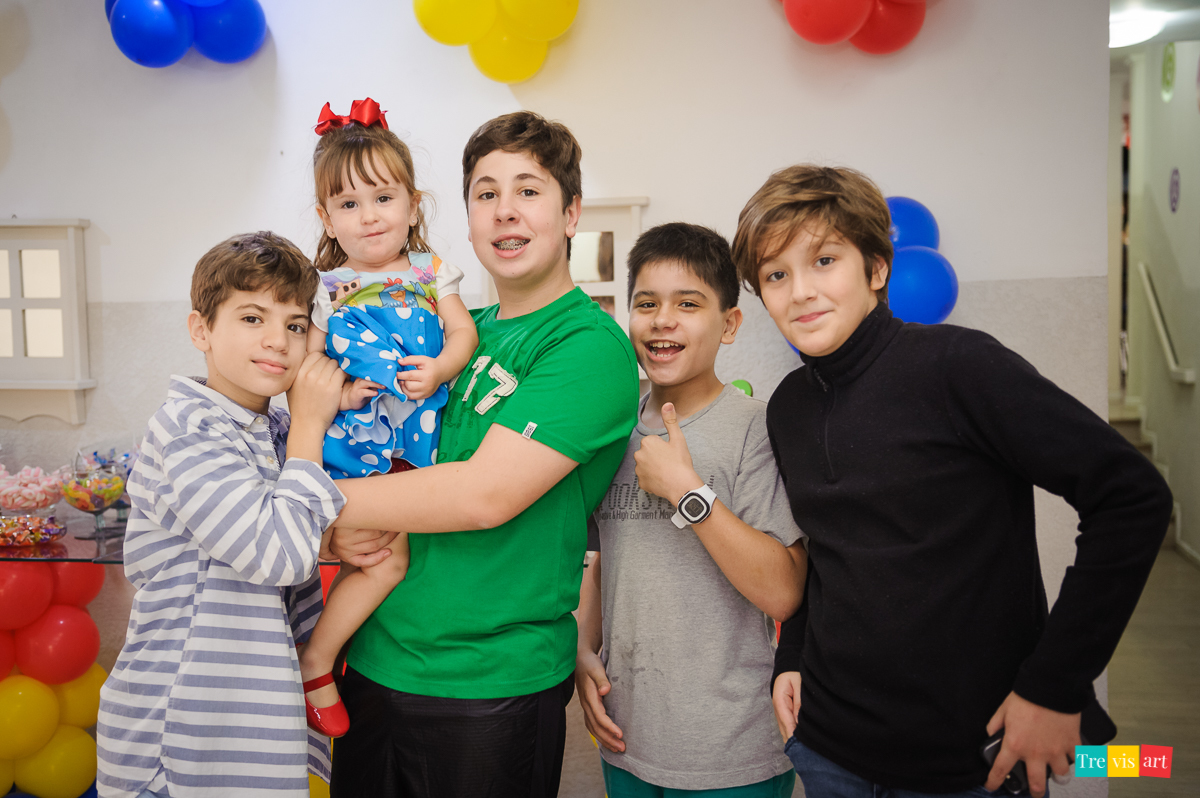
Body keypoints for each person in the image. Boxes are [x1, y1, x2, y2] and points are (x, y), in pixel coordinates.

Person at [731, 165, 1173, 798]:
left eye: (824, 260)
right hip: (830, 749)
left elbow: (1132, 497)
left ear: (876, 270)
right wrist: (792, 655)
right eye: (776, 275)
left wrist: (1054, 685)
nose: (800, 291)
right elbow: (824, 548)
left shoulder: (958, 366)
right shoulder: (788, 406)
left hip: (968, 763)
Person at [322, 111, 640, 798]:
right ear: (465, 219)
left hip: (488, 687)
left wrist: (303, 505)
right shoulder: (450, 330)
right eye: (486, 194)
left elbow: (481, 496)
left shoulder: (586, 347)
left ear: (571, 212)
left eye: (529, 190)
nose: (505, 212)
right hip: (377, 660)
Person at [96, 232, 347, 798]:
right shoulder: (191, 427)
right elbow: (278, 554)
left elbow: (298, 528)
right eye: (253, 317)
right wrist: (310, 424)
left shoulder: (271, 430)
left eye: (295, 324)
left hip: (250, 715)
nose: (278, 341)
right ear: (201, 330)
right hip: (180, 731)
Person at [576, 222, 807, 798]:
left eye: (689, 303)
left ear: (728, 324)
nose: (662, 319)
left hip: (731, 748)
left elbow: (783, 591)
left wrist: (689, 493)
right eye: (646, 303)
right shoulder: (611, 425)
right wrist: (582, 650)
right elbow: (603, 554)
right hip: (627, 734)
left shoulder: (754, 429)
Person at [295, 98, 478, 738]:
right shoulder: (324, 287)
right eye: (348, 204)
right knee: (383, 560)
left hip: (415, 444)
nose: (368, 217)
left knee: (376, 560)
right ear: (326, 217)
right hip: (353, 446)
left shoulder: (433, 272)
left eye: (382, 198)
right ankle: (318, 660)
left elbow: (463, 336)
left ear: (412, 203)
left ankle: (326, 656)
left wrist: (440, 371)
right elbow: (308, 369)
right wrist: (338, 396)